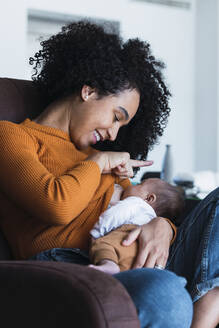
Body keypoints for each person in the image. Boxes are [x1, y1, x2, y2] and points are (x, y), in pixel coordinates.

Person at [0, 20, 218, 328]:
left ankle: (210, 297)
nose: (114, 133)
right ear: (88, 91)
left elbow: (135, 209)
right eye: (116, 117)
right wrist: (99, 162)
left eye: (121, 126)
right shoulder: (11, 137)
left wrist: (164, 225)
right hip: (76, 262)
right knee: (165, 295)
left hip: (135, 254)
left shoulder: (99, 158)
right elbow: (56, 205)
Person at [89, 178, 184, 274]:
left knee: (102, 245)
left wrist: (97, 232)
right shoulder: (150, 218)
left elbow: (113, 215)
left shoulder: (136, 203)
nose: (131, 185)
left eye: (139, 184)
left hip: (127, 235)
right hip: (140, 255)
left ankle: (109, 264)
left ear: (148, 198)